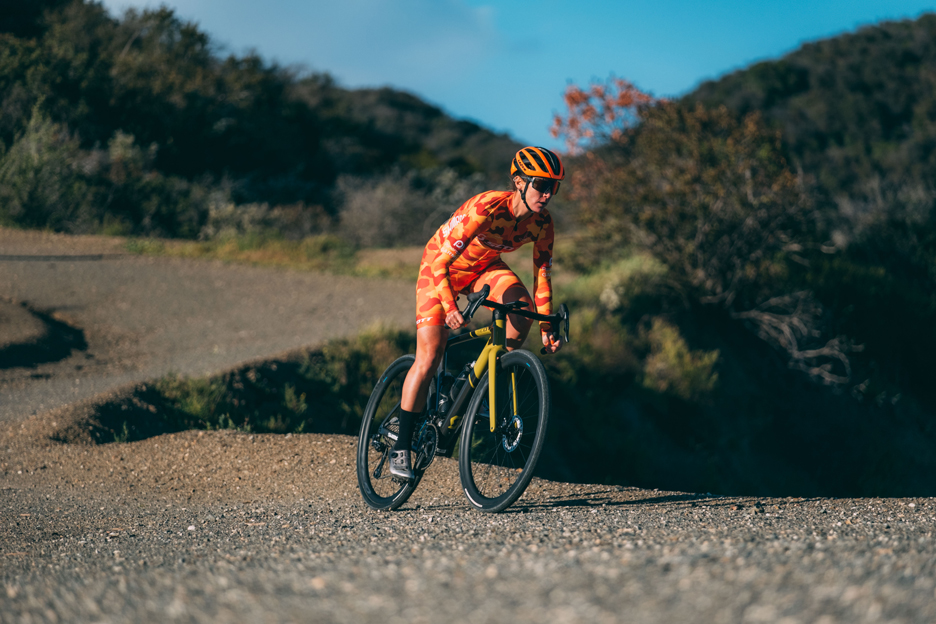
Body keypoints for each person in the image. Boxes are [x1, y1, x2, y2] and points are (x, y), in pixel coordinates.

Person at [389, 146, 566, 481]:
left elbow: (542, 274)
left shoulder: (542, 223)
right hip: (440, 270)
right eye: (541, 184)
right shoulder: (487, 207)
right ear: (518, 181)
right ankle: (401, 443)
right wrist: (451, 307)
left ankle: (479, 378)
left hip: (483, 269)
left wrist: (546, 326)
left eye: (553, 187)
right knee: (429, 355)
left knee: (522, 311)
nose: (547, 194)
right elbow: (441, 262)